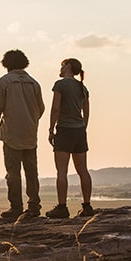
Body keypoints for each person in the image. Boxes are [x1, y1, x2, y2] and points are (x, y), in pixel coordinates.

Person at [0, 49, 45, 220]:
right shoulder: (34, 83)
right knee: (31, 171)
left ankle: (16, 207)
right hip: (30, 132)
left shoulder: (4, 82)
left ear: (6, 64)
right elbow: (41, 108)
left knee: (13, 172)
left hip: (11, 133)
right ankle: (34, 206)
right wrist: (31, 120)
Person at [45, 58, 94, 218]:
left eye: (62, 65)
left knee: (61, 171)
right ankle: (87, 206)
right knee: (83, 171)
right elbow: (86, 111)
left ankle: (62, 207)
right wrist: (83, 127)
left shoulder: (60, 85)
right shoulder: (82, 87)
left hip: (65, 129)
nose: (60, 68)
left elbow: (55, 108)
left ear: (68, 67)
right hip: (79, 130)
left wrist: (51, 129)